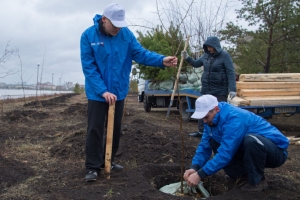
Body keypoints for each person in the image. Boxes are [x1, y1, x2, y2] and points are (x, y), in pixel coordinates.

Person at [80, 3, 178, 182]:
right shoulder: (88, 36)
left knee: (115, 128)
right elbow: (89, 67)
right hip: (97, 93)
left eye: (120, 25)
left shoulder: (126, 35)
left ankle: (109, 159)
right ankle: (92, 167)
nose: (118, 28)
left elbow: (141, 54)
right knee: (95, 129)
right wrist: (102, 91)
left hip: (118, 92)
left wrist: (162, 60)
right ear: (104, 19)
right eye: (114, 25)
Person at [183, 95, 289, 192]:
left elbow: (226, 153)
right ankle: (242, 176)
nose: (204, 121)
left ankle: (258, 181)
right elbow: (204, 146)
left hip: (275, 152)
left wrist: (200, 174)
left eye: (206, 117)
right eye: (202, 118)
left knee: (251, 140)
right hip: (248, 149)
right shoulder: (210, 122)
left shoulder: (234, 118)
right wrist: (195, 167)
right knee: (214, 141)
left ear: (216, 109)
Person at [181, 36, 236, 138]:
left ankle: (219, 133)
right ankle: (202, 132)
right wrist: (187, 57)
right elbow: (196, 64)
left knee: (218, 111)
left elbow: (231, 72)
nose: (209, 49)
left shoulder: (224, 56)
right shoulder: (206, 56)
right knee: (202, 109)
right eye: (207, 47)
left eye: (211, 47)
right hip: (206, 88)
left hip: (220, 89)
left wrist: (232, 89)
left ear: (216, 46)